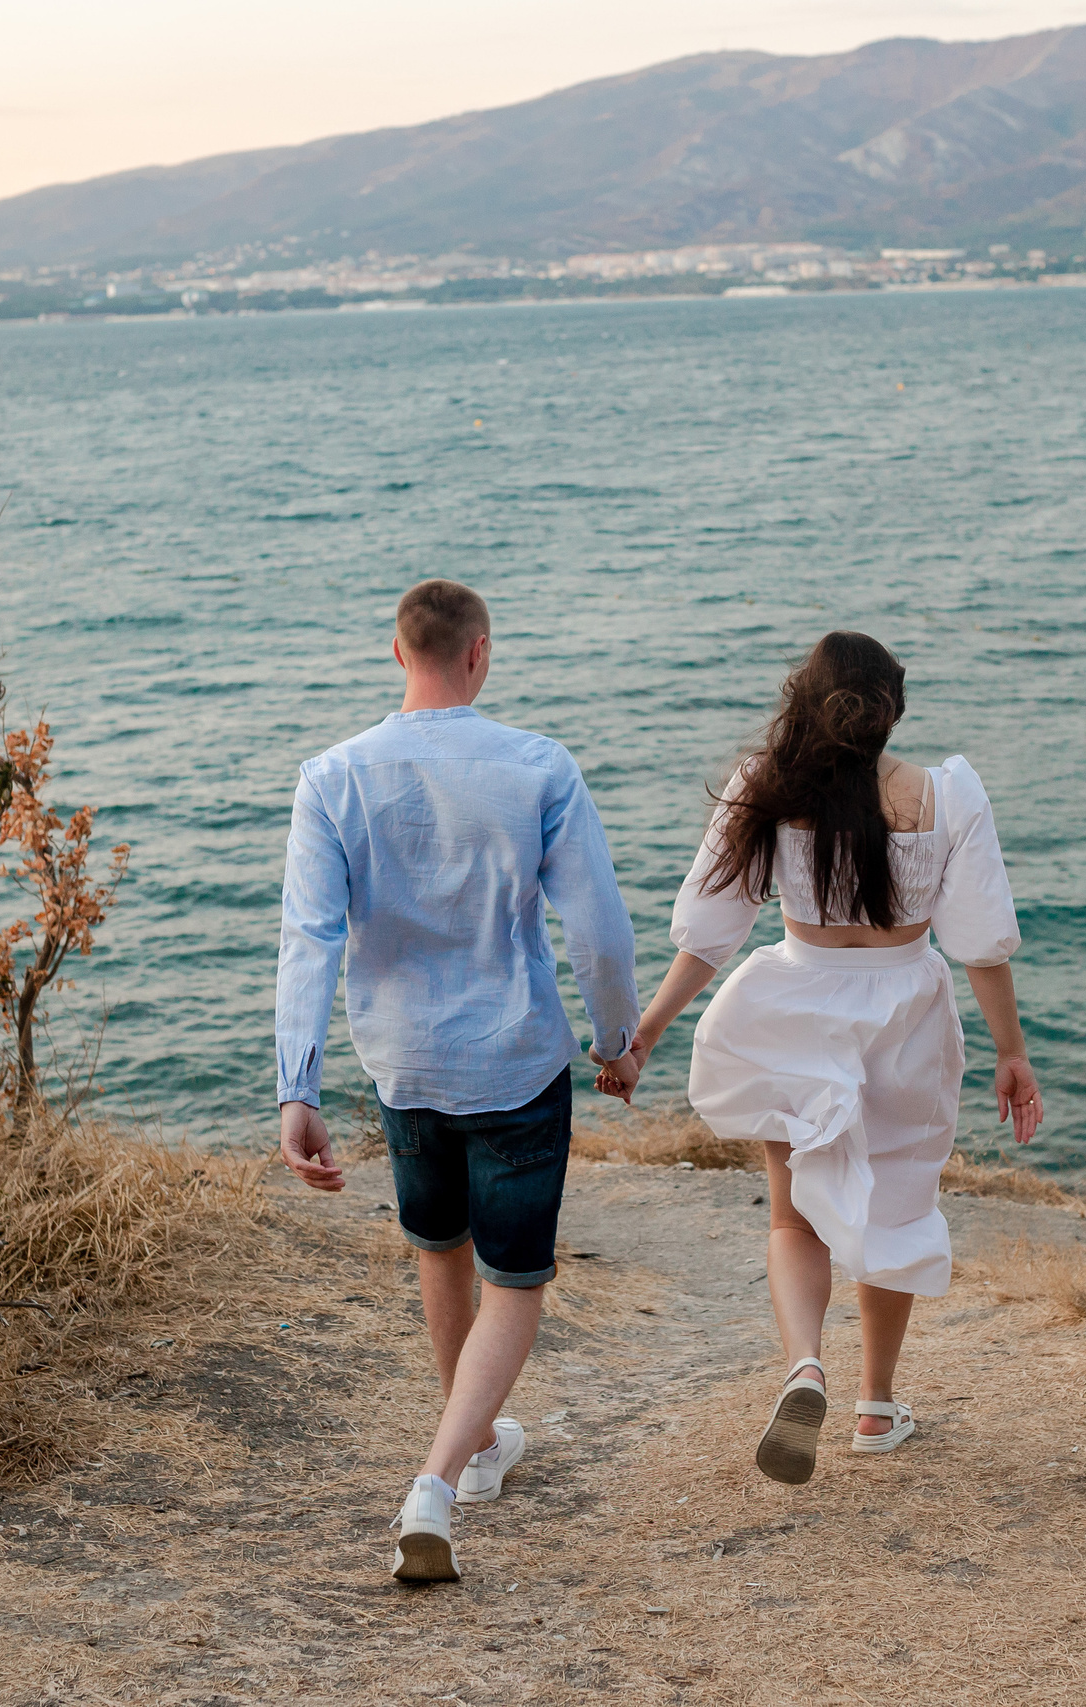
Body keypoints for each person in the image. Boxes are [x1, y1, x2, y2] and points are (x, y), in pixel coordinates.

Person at [601, 631, 1040, 1485]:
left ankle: (805, 1365)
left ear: (805, 700)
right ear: (893, 709)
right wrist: (1012, 1052)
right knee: (897, 1206)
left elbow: (712, 932)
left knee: (791, 1216)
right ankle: (876, 1405)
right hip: (906, 1017)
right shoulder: (945, 796)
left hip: (794, 1009)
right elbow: (982, 942)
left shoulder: (769, 788)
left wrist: (644, 1033)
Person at [274, 578, 642, 1583]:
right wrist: (617, 1039)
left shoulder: (331, 778)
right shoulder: (538, 767)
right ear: (479, 652)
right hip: (515, 1060)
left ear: (399, 653)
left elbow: (309, 939)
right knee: (513, 1280)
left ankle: (478, 1447)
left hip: (403, 1065)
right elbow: (597, 929)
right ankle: (436, 1481)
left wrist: (297, 1087)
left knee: (439, 1248)